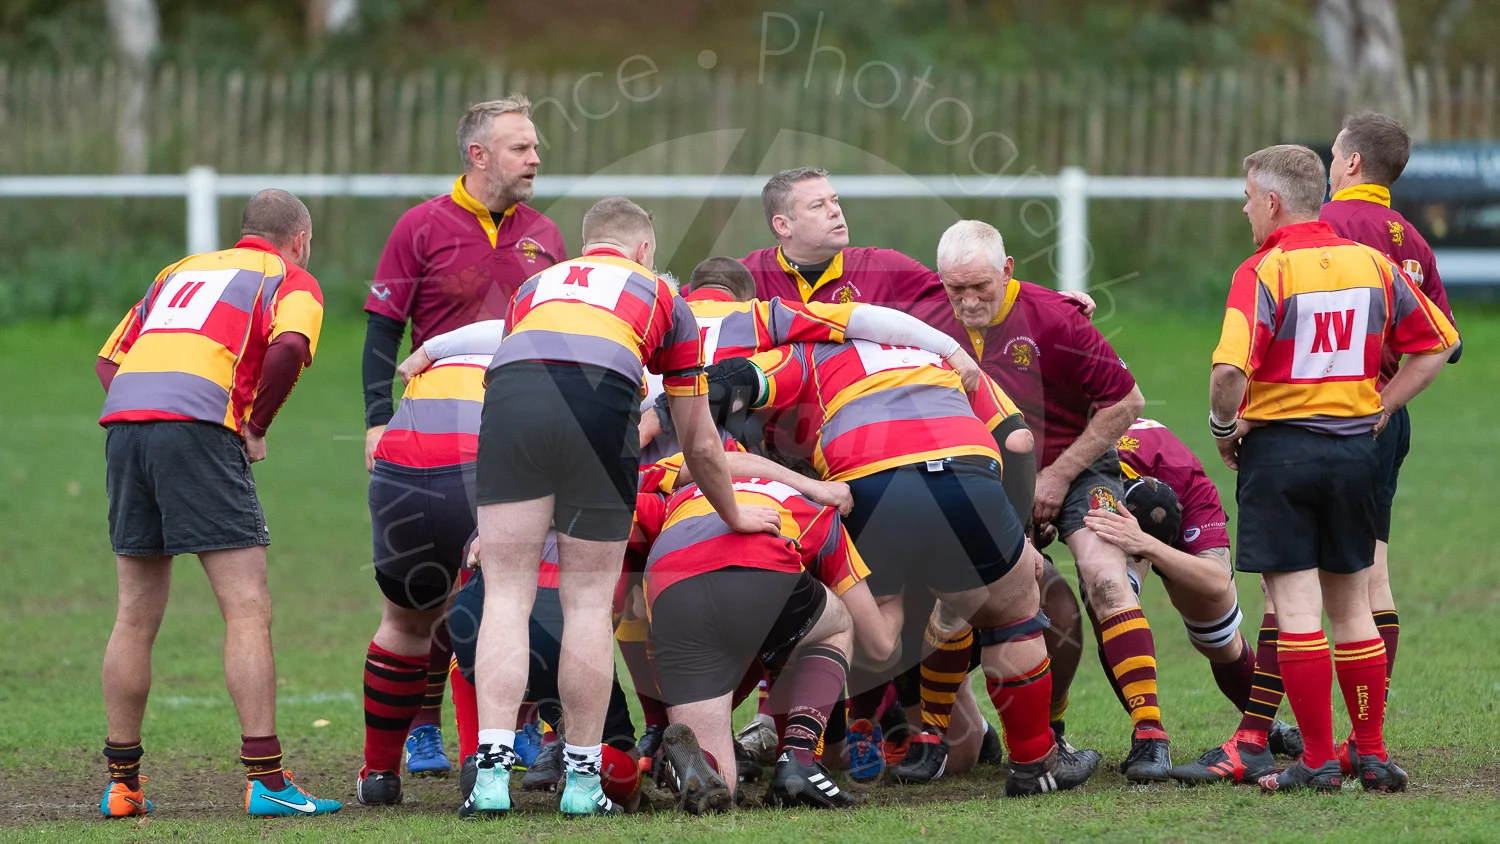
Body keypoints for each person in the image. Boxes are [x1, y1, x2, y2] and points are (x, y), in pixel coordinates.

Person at [461, 197, 782, 819]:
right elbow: (698, 438)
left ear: (586, 248)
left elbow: (517, 375)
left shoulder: (533, 286)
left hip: (510, 395)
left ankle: (491, 777)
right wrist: (735, 511)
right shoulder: (663, 298)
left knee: (506, 592)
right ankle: (584, 783)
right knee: (585, 598)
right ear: (644, 251)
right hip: (601, 395)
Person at [690, 339, 1101, 797]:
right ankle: (1033, 761)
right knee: (1013, 606)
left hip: (868, 482)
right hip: (964, 470)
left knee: (871, 621)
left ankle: (813, 738)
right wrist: (1017, 533)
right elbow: (1019, 440)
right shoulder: (942, 353)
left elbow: (728, 384)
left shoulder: (809, 352)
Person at [1210, 144, 1457, 794]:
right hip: (1356, 452)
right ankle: (1370, 754)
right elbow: (1436, 345)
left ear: (1271, 201)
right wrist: (1380, 405)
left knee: (1295, 607)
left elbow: (1230, 371)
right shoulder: (1373, 264)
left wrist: (1222, 427)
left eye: (1247, 198)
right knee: (1351, 607)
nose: (1244, 209)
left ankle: (1318, 758)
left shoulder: (1263, 271)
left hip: (1282, 453)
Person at [94, 190, 340, 818]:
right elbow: (288, 349)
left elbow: (109, 358)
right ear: (300, 238)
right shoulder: (293, 279)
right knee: (247, 609)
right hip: (199, 427)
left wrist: (147, 409)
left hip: (125, 423)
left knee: (134, 612)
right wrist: (255, 424)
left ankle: (123, 784)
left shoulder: (178, 271)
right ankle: (267, 781)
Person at [361, 94, 567, 776]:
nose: (536, 158)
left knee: (512, 585)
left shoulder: (546, 234)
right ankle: (423, 728)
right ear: (478, 155)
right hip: (435, 435)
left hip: (519, 437)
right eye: (521, 147)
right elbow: (383, 330)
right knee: (433, 590)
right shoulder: (420, 226)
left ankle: (521, 727)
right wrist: (375, 418)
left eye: (535, 146)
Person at [932, 220, 1169, 781]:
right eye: (954, 289)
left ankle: (1150, 732)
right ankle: (927, 738)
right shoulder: (924, 320)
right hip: (983, 483)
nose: (966, 302)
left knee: (1105, 575)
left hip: (1078, 471)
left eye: (979, 288)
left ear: (1008, 270)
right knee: (961, 595)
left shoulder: (1057, 317)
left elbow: (1125, 402)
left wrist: (1057, 477)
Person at [1320, 112, 1461, 768]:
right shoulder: (1411, 238)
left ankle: (1273, 735)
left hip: (1325, 417)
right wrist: (1388, 401)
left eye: (1332, 155)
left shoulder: (1326, 227)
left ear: (1349, 163)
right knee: (1374, 566)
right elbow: (1446, 341)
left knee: (1291, 577)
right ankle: (1364, 736)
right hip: (1387, 417)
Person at [634, 475, 886, 812]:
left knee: (721, 781)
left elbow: (618, 510)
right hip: (761, 568)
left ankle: (689, 768)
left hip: (672, 591)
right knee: (837, 623)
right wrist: (898, 607)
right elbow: (877, 643)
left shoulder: (679, 496)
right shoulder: (815, 504)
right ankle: (798, 760)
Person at [1078, 418, 1302, 784]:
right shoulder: (1083, 458)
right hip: (1107, 505)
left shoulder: (1183, 474)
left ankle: (1263, 728)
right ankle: (1148, 736)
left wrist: (1147, 545)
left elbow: (1214, 582)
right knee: (1106, 599)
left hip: (1162, 509)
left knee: (1218, 642)